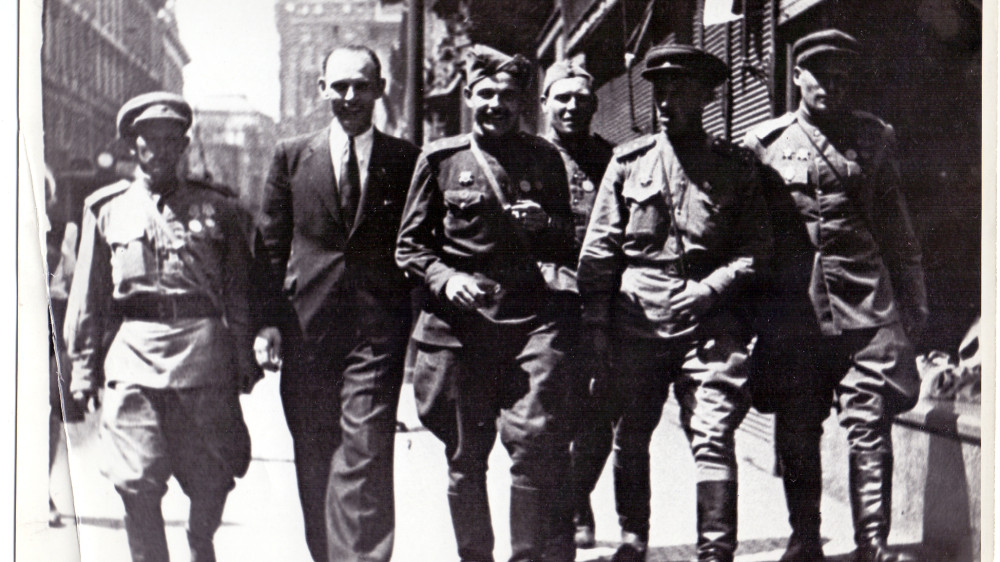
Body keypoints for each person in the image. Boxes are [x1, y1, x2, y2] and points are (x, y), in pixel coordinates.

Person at [577, 45, 772, 562]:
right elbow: (599, 250)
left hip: (709, 322)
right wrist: (596, 326)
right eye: (660, 91)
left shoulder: (736, 167)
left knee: (713, 432)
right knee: (631, 430)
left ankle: (715, 552)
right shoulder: (629, 162)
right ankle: (633, 537)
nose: (666, 101)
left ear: (706, 96)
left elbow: (758, 249)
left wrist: (711, 289)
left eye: (680, 91)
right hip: (636, 321)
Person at [743, 29, 926, 562]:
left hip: (865, 302)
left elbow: (898, 230)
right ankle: (805, 538)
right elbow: (749, 236)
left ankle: (873, 544)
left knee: (869, 421)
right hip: (796, 310)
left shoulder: (875, 139)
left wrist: (914, 301)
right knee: (798, 424)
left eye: (842, 77)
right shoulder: (765, 144)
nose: (831, 86)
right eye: (820, 75)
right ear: (797, 75)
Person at [396, 45, 578, 562]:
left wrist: (545, 224)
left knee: (533, 445)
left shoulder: (545, 158)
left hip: (529, 323)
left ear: (522, 102)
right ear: (469, 97)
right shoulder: (439, 160)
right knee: (465, 456)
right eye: (486, 94)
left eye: (508, 96)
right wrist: (447, 278)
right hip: (461, 329)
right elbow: (410, 246)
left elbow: (567, 239)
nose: (496, 104)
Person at [63, 91, 263, 562]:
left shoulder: (219, 208)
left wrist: (243, 354)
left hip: (203, 359)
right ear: (133, 145)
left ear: (185, 145)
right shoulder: (105, 209)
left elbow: (240, 289)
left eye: (171, 140)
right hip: (134, 356)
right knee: (134, 481)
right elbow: (89, 296)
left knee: (213, 477)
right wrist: (82, 369)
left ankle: (200, 539)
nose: (159, 150)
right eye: (149, 140)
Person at [257, 46, 420, 562]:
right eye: (340, 86)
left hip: (375, 334)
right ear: (322, 88)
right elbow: (271, 244)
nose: (350, 96)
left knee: (366, 452)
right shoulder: (291, 156)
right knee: (315, 459)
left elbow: (418, 242)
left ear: (380, 89)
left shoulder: (405, 159)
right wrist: (268, 323)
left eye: (362, 86)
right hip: (306, 332)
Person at [538, 58, 615, 550]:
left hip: (602, 298)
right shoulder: (525, 155)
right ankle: (559, 512)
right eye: (562, 98)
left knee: (601, 413)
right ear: (544, 102)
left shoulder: (613, 159)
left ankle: (574, 496)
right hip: (544, 298)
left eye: (582, 99)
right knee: (548, 409)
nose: (572, 107)